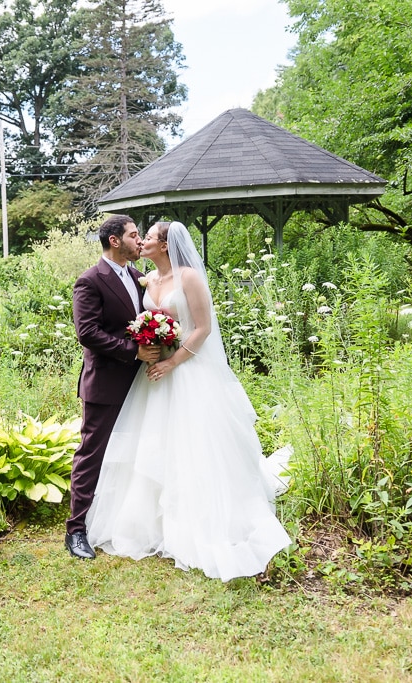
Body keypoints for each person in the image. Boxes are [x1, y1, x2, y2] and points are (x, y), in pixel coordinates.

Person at [85, 221, 291, 581]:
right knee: (153, 444)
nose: (142, 241)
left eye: (147, 237)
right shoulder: (144, 278)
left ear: (165, 245)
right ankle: (153, 522)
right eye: (139, 236)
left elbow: (203, 328)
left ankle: (197, 520)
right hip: (152, 376)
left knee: (192, 445)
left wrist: (171, 361)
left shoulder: (190, 277)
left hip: (185, 371)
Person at [67, 214, 160, 560]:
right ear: (115, 241)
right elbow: (87, 333)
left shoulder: (139, 277)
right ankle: (76, 530)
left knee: (136, 452)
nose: (140, 241)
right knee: (92, 454)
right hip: (105, 383)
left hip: (141, 384)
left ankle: (123, 521)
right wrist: (132, 351)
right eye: (134, 235)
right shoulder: (90, 281)